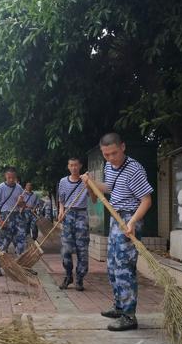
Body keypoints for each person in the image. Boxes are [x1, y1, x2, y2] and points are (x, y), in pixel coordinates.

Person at [81, 133, 153, 331]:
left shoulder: (134, 169)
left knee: (124, 267)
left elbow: (146, 200)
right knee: (112, 265)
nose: (111, 158)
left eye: (114, 153)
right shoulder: (109, 166)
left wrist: (132, 223)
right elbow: (110, 187)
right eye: (106, 155)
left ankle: (129, 315)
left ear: (123, 146)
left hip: (130, 218)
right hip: (115, 218)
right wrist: (92, 183)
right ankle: (119, 306)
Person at [57, 157, 97, 291]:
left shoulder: (86, 179)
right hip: (68, 215)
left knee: (82, 250)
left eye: (76, 165)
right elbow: (61, 200)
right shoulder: (63, 181)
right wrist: (61, 212)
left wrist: (89, 186)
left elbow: (94, 199)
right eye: (71, 165)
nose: (74, 168)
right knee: (66, 249)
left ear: (80, 166)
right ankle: (68, 276)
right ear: (68, 167)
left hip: (81, 215)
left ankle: (79, 279)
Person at [0, 167, 26, 277]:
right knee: (2, 244)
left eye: (13, 178)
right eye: (9, 177)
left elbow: (22, 205)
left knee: (21, 243)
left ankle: (21, 267)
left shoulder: (19, 188)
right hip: (5, 216)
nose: (11, 180)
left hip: (17, 217)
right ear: (6, 176)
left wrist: (21, 202)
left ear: (16, 177)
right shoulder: (0, 188)